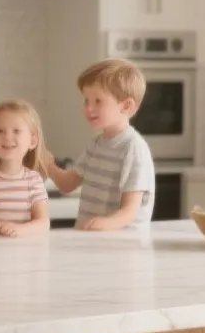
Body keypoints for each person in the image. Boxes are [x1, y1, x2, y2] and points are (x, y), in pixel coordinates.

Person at [50, 59, 154, 232]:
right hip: (95, 238)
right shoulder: (96, 145)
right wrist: (48, 165)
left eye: (98, 101)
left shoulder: (133, 148)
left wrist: (105, 223)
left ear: (126, 106)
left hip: (123, 244)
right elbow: (68, 184)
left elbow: (129, 211)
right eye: (86, 101)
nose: (89, 108)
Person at [0, 99, 53, 238]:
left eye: (16, 131)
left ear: (32, 141)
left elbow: (43, 223)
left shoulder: (34, 180)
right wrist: (1, 228)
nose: (7, 137)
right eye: (0, 131)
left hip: (26, 254)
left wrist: (22, 230)